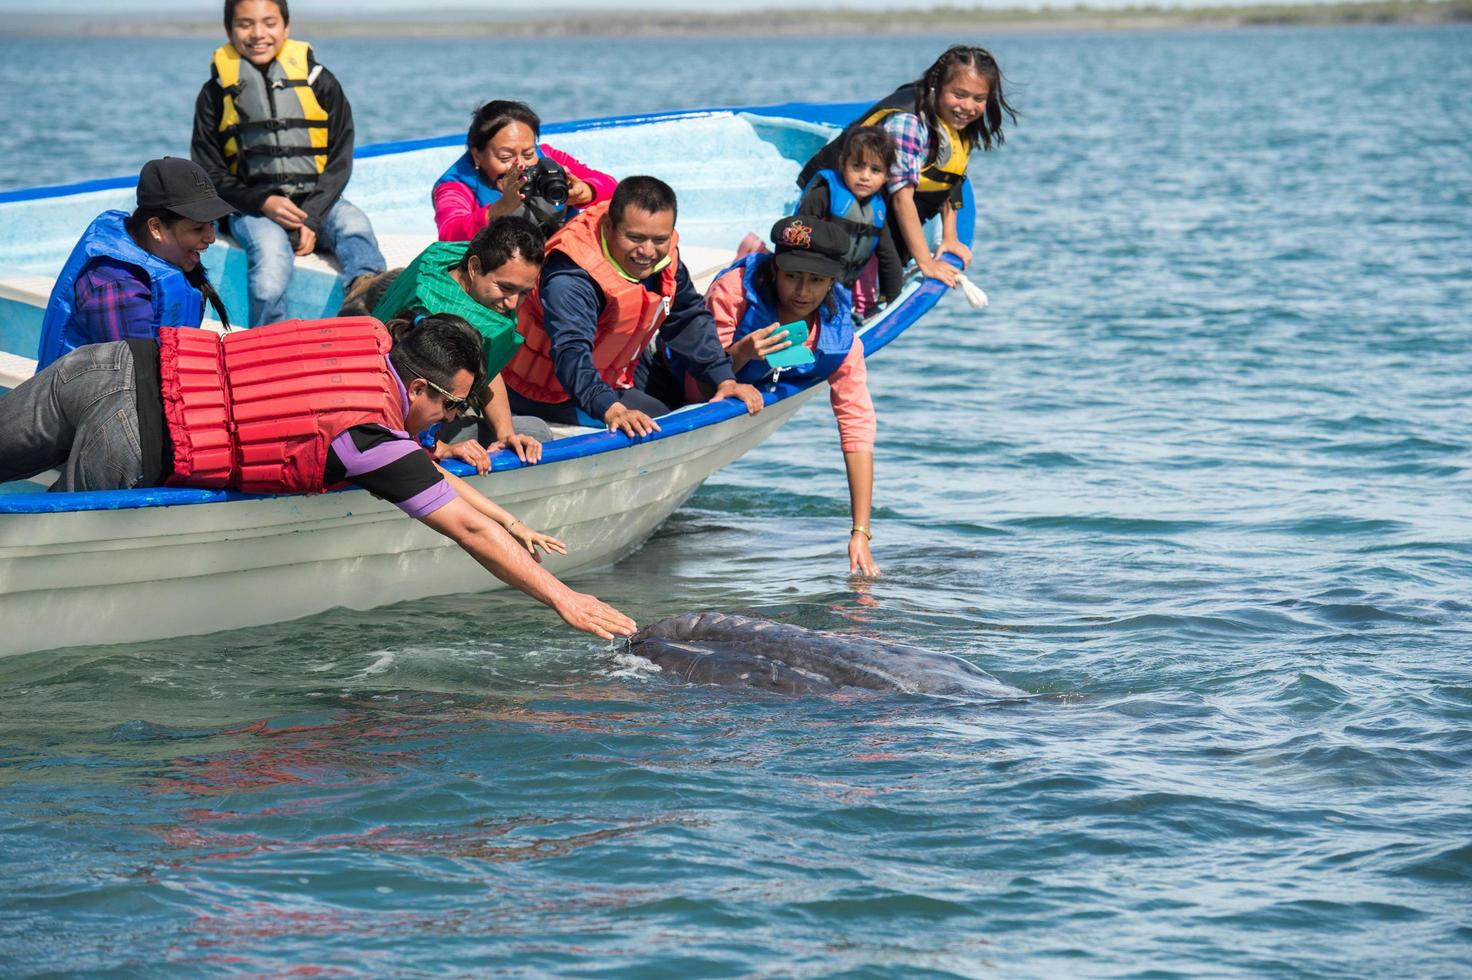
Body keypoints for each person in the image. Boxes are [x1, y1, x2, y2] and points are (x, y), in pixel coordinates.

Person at [0, 314, 637, 640]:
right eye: (449, 405)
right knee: (42, 566)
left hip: (103, 363)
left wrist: (513, 518)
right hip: (133, 432)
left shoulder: (363, 339)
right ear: (417, 386)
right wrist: (564, 598)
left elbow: (441, 484)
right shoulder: (367, 436)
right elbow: (461, 527)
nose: (450, 420)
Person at [502, 176, 764, 437]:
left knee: (680, 405)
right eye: (635, 238)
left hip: (614, 374)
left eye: (659, 239)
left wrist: (725, 378)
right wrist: (612, 409)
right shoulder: (571, 279)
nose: (647, 251)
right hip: (545, 393)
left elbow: (687, 317)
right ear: (609, 225)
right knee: (663, 424)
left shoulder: (664, 256)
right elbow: (571, 353)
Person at [701, 217, 881, 576]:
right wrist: (740, 354)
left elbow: (857, 427)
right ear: (774, 270)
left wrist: (860, 532)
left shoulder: (840, 341)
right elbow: (697, 366)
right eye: (792, 276)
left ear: (832, 282)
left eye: (816, 280)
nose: (803, 291)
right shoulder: (733, 293)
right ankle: (747, 251)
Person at [191, 0, 387, 327]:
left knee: (355, 226)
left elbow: (340, 155)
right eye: (244, 24)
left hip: (317, 201)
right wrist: (262, 202)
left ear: (286, 27)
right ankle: (270, 347)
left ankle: (368, 305)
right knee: (269, 269)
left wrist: (312, 218)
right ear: (229, 30)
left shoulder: (320, 81)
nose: (257, 34)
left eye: (269, 23)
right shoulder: (214, 93)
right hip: (251, 209)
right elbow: (208, 172)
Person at [797, 44, 1016, 289]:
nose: (967, 106)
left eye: (979, 99)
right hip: (839, 207)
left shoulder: (958, 122)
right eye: (959, 94)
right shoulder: (909, 124)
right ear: (937, 86)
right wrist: (926, 263)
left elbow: (951, 177)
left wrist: (950, 237)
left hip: (883, 207)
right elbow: (902, 198)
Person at [358, 216, 552, 470]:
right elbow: (408, 406)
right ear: (474, 268)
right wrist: (442, 449)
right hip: (395, 426)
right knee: (537, 431)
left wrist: (505, 434)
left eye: (524, 292)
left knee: (518, 433)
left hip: (431, 399)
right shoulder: (437, 321)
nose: (513, 303)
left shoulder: (447, 261)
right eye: (505, 288)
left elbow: (485, 366)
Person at [35, 157, 235, 371]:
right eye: (198, 229)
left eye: (211, 225)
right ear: (156, 228)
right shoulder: (114, 283)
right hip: (88, 400)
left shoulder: (165, 258)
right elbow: (138, 377)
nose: (211, 238)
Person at [434, 100, 616, 242]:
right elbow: (449, 233)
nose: (519, 165)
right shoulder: (456, 185)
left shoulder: (547, 158)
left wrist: (586, 192)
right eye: (505, 158)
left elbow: (612, 187)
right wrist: (499, 209)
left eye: (528, 153)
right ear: (477, 156)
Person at [795, 125, 904, 318]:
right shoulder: (823, 195)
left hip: (840, 288)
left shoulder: (877, 210)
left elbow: (888, 256)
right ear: (843, 163)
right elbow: (796, 237)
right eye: (857, 166)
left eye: (875, 170)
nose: (865, 176)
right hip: (807, 282)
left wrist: (893, 300)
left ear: (887, 176)